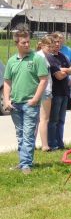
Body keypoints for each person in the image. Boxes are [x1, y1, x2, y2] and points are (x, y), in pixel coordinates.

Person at [2, 30, 49, 174]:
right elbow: (7, 82)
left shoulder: (37, 59)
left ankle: (25, 165)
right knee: (20, 134)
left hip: (30, 103)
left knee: (28, 134)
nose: (27, 44)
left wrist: (35, 99)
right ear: (16, 43)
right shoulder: (11, 61)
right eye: (24, 42)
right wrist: (6, 100)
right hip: (15, 104)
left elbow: (43, 80)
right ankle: (25, 162)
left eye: (28, 41)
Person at [45, 32, 71, 151]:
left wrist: (64, 70)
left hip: (65, 92)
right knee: (53, 120)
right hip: (55, 93)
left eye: (59, 42)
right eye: (55, 42)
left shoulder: (62, 56)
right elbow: (58, 76)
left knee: (61, 120)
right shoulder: (49, 57)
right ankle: (52, 144)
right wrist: (66, 71)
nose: (57, 44)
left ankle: (60, 143)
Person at [35, 37, 54, 152]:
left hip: (39, 90)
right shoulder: (41, 57)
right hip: (45, 90)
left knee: (35, 119)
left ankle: (31, 144)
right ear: (42, 46)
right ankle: (45, 145)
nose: (51, 49)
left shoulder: (38, 56)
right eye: (49, 47)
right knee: (44, 119)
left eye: (52, 47)